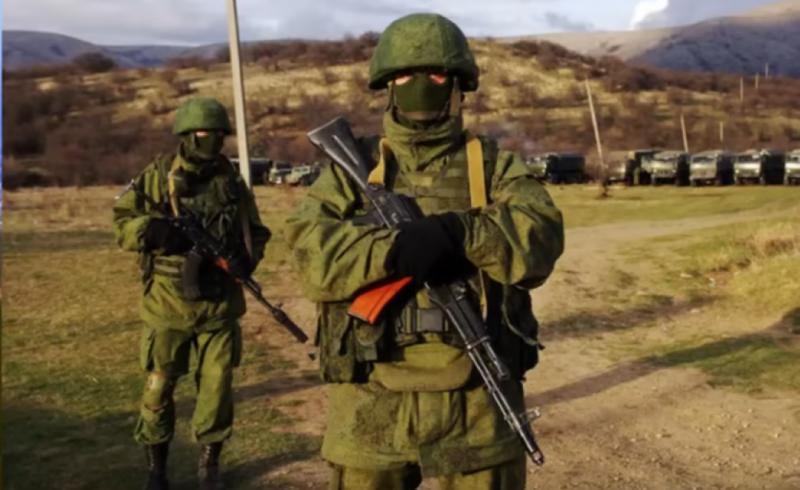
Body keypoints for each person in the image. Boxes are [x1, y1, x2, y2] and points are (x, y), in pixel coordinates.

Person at [285, 13, 564, 490]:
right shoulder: (355, 169)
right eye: (404, 76)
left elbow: (540, 237)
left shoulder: (492, 164)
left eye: (435, 75)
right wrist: (394, 250)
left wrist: (459, 232)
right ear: (387, 86)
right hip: (370, 403)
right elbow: (311, 254)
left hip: (477, 405)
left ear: (458, 85)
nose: (420, 86)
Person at [113, 96, 270, 490]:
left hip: (219, 307)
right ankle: (156, 470)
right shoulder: (157, 176)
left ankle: (209, 466)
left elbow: (256, 231)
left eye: (217, 134)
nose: (210, 140)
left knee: (216, 391)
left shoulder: (232, 182)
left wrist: (246, 259)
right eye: (203, 133)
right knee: (159, 387)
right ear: (185, 135)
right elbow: (122, 222)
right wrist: (152, 231)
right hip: (167, 305)